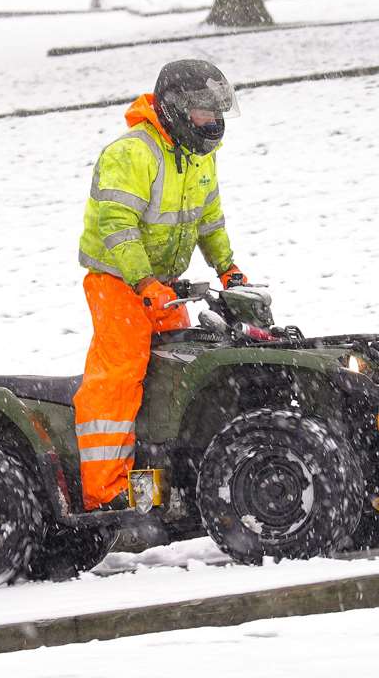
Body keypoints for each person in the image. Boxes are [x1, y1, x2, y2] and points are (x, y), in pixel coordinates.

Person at [73, 59, 249, 512]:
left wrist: (228, 269)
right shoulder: (132, 154)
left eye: (217, 113)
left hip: (163, 285)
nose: (214, 123)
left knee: (179, 371)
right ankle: (105, 491)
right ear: (174, 109)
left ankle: (161, 479)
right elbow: (117, 227)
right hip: (118, 281)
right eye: (205, 113)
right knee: (120, 372)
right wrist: (143, 280)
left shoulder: (198, 158)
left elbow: (210, 220)